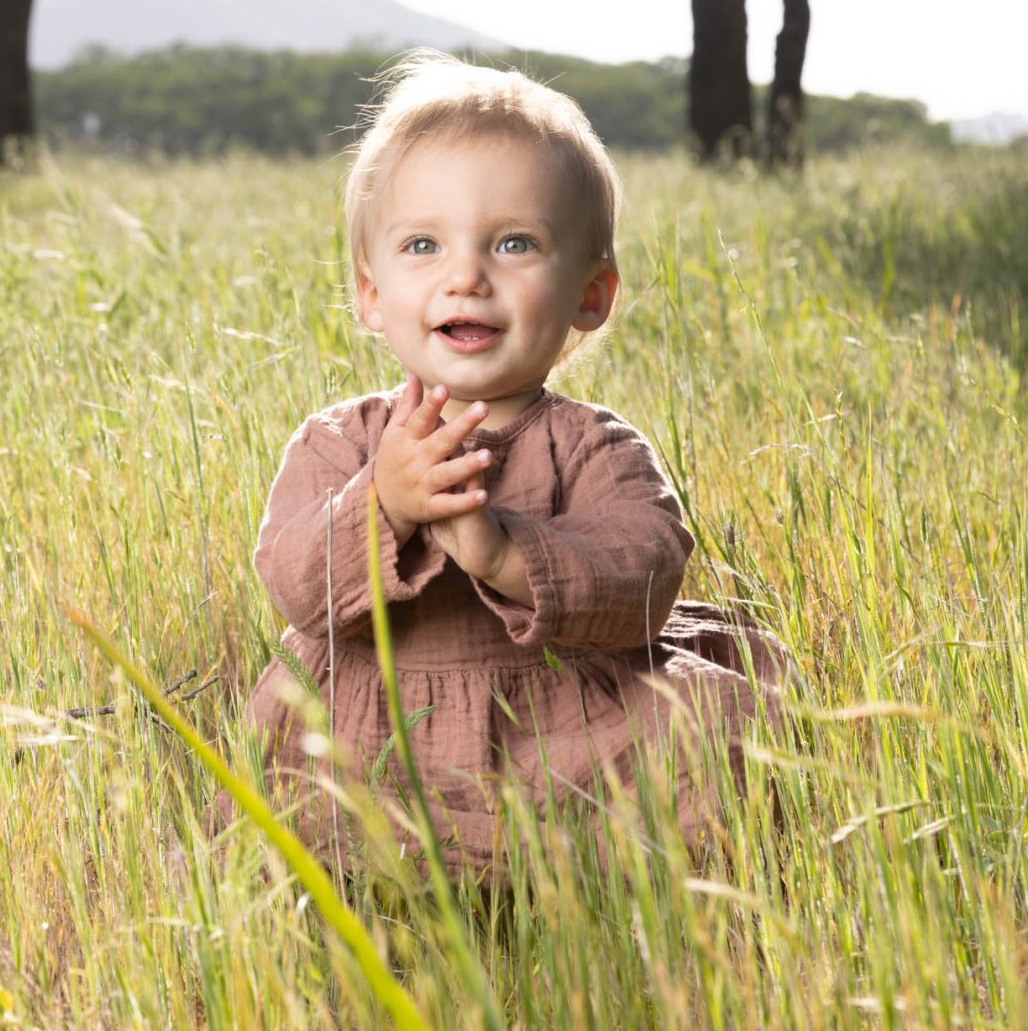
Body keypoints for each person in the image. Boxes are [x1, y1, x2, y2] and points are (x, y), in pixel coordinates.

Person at [238, 54, 786, 878]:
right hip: (374, 728)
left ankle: (603, 871)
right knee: (302, 814)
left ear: (590, 295)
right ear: (371, 294)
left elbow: (644, 573)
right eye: (422, 244)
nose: (466, 274)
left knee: (722, 719)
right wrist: (382, 502)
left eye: (515, 243)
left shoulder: (594, 446)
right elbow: (293, 581)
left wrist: (506, 552)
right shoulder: (342, 443)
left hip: (555, 721)